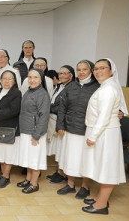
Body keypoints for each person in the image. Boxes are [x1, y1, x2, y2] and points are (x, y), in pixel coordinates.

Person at [81, 58, 127, 215]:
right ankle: (100, 198)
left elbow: (104, 116)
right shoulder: (106, 86)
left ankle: (101, 205)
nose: (98, 71)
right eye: (96, 69)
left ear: (111, 70)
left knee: (107, 169)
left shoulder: (108, 89)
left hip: (104, 133)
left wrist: (93, 136)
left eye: (103, 68)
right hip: (104, 131)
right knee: (102, 166)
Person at [55, 60, 99, 196]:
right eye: (78, 69)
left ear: (90, 71)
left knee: (85, 160)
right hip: (69, 128)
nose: (81, 72)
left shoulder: (97, 87)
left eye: (84, 69)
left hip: (87, 130)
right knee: (70, 158)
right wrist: (60, 125)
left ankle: (85, 187)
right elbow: (62, 107)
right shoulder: (71, 86)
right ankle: (70, 184)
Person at [17, 68, 50, 194]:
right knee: (29, 158)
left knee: (35, 160)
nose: (32, 80)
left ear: (41, 79)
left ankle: (34, 184)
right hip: (26, 131)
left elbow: (44, 116)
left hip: (35, 133)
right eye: (30, 77)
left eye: (35, 77)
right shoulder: (28, 92)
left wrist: (37, 135)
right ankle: (28, 179)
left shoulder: (42, 94)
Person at [45, 65, 75, 184]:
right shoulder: (59, 86)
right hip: (55, 121)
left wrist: (50, 108)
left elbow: (64, 107)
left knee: (63, 149)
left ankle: (63, 173)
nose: (61, 75)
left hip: (63, 122)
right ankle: (59, 171)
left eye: (65, 73)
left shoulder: (72, 87)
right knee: (59, 148)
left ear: (71, 75)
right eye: (60, 73)